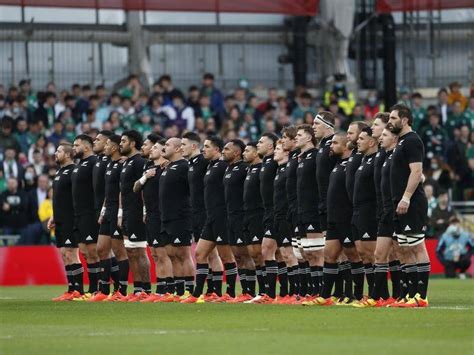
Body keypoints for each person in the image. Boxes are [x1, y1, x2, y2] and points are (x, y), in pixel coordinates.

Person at [182, 136, 236, 303]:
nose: (203, 149)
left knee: (226, 256)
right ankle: (198, 294)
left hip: (221, 216)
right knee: (200, 253)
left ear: (216, 150)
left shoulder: (222, 166)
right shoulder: (211, 166)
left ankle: (229, 294)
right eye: (203, 146)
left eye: (207, 146)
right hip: (210, 217)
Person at [388, 104, 430, 308]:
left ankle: (421, 297)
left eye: (393, 118)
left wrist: (406, 198)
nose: (390, 122)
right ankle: (410, 295)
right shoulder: (401, 141)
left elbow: (416, 172)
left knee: (416, 246)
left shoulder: (412, 140)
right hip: (400, 202)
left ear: (404, 120)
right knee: (404, 248)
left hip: (412, 202)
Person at [89, 135, 129, 302]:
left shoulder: (122, 165)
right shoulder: (110, 164)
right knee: (101, 248)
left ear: (113, 148)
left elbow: (121, 190)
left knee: (119, 251)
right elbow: (107, 191)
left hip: (117, 210)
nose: (104, 147)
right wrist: (104, 209)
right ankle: (104, 290)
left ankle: (122, 290)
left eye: (107, 144)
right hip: (108, 209)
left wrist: (120, 212)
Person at [133, 138, 174, 303]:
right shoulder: (148, 168)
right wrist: (144, 178)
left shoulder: (167, 168)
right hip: (150, 214)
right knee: (156, 254)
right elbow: (136, 188)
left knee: (163, 254)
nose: (151, 150)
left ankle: (169, 290)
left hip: (161, 215)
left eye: (155, 148)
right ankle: (161, 289)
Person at [158, 137, 195, 302]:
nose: (164, 148)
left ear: (179, 149)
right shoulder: (167, 167)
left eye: (167, 145)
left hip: (180, 217)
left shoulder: (184, 167)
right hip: (165, 217)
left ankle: (190, 290)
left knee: (183, 254)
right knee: (171, 254)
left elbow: (192, 191)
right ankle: (178, 292)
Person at [221, 140, 256, 303]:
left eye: (226, 149)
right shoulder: (228, 168)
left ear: (236, 152)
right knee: (237, 256)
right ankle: (244, 291)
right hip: (230, 217)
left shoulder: (244, 168)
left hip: (242, 217)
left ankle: (252, 291)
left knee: (245, 255)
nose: (223, 151)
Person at [118, 130, 151, 301]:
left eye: (123, 141)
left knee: (139, 251)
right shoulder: (127, 162)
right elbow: (123, 190)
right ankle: (138, 289)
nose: (120, 144)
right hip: (128, 213)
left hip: (138, 212)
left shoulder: (139, 163)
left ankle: (146, 289)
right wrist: (121, 212)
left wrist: (145, 211)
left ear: (132, 144)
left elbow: (144, 189)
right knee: (130, 251)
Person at [49, 143, 83, 301]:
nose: (56, 153)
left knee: (71, 253)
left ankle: (79, 290)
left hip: (71, 219)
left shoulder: (73, 172)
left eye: (59, 151)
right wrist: (53, 216)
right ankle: (71, 289)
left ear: (68, 154)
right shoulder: (60, 172)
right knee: (64, 254)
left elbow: (77, 196)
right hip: (60, 219)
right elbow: (58, 198)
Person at [295, 124, 324, 299]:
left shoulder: (315, 156)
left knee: (316, 253)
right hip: (302, 210)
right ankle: (312, 291)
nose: (296, 138)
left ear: (308, 138)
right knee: (306, 253)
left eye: (299, 135)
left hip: (313, 209)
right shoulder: (302, 157)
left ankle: (320, 292)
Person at [71, 134, 100, 300]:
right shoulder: (79, 164)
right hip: (78, 214)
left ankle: (98, 288)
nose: (74, 148)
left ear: (87, 147)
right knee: (84, 251)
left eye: (77, 145)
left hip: (90, 213)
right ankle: (92, 289)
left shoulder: (94, 163)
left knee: (93, 251)